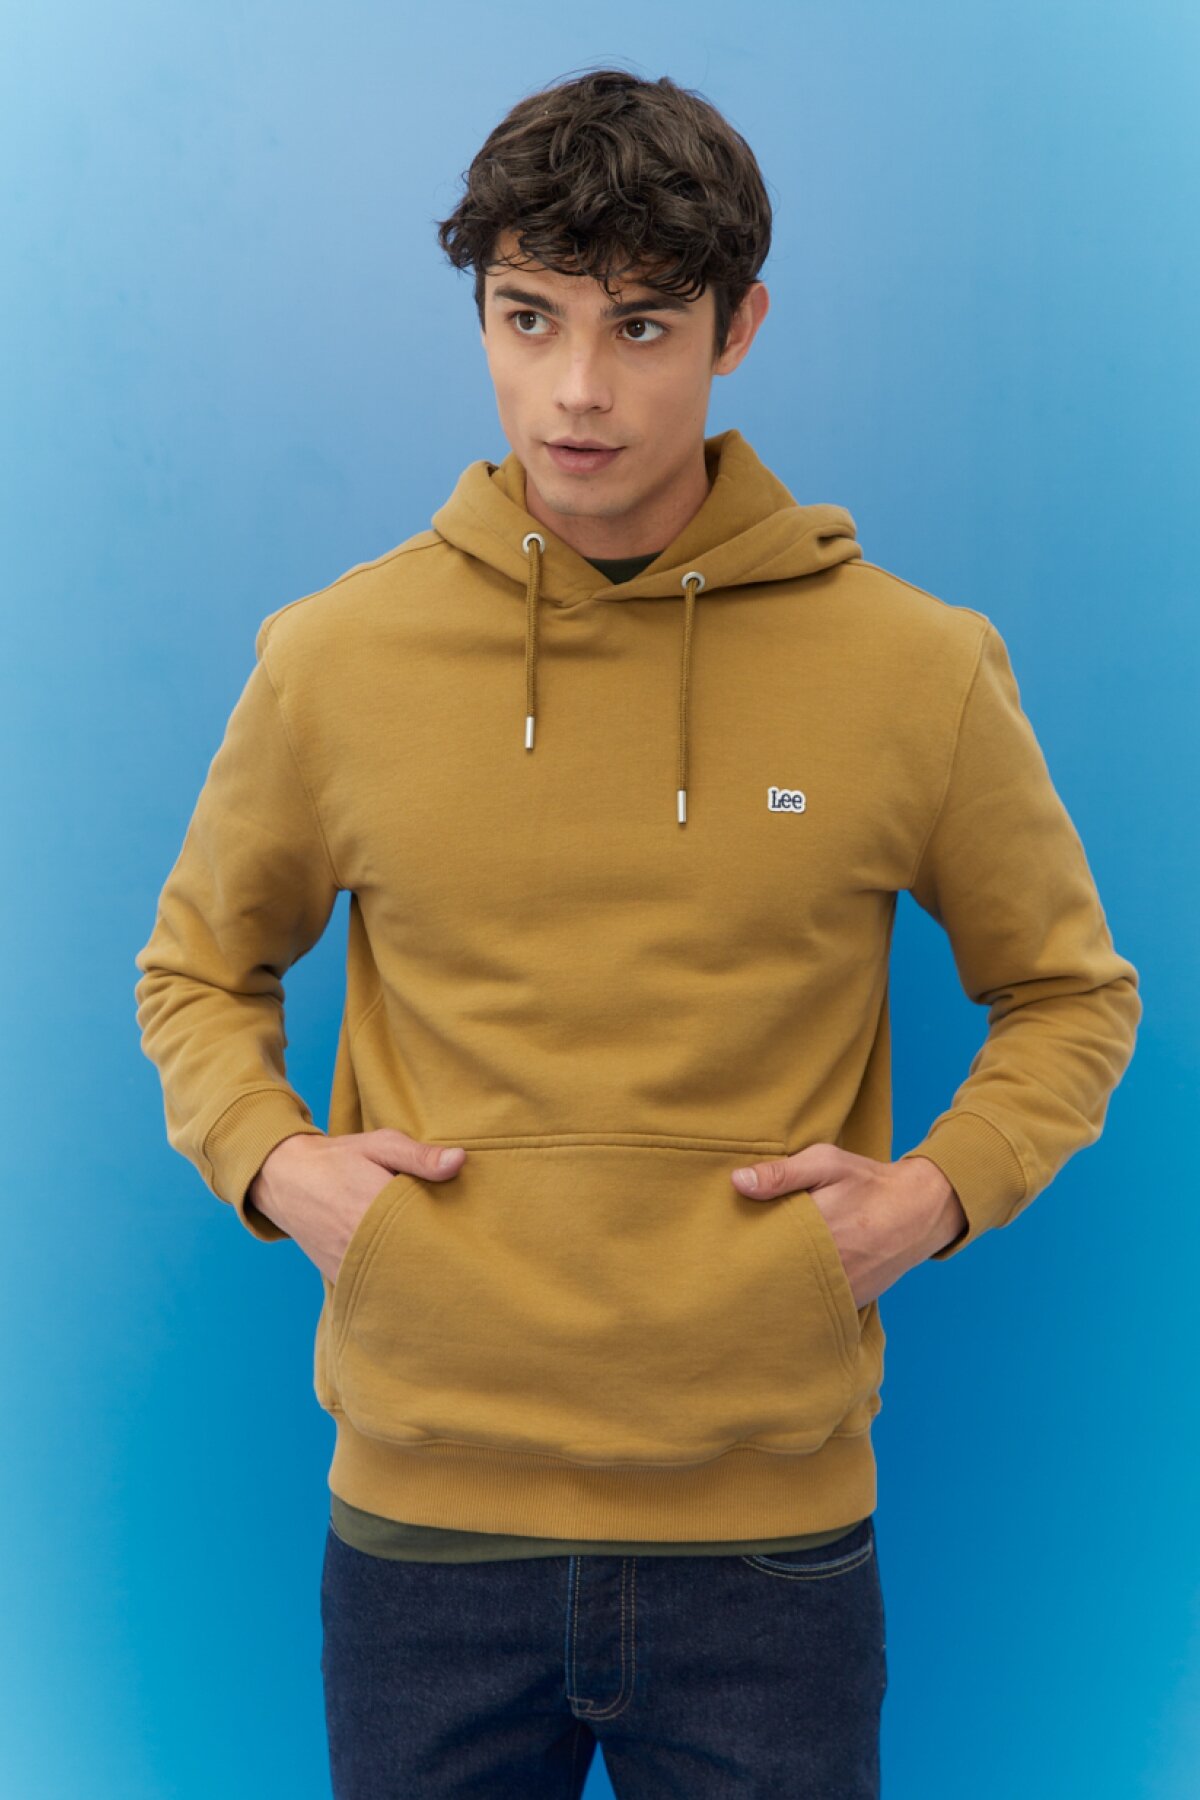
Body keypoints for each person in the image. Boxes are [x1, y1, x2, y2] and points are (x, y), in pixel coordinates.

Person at [133, 65, 1141, 1799]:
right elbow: (197, 974)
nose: (577, 390)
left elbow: (1068, 993)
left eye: (643, 326)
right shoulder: (333, 661)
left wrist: (933, 1195)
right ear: (482, 316)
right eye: (527, 318)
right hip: (425, 1539)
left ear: (740, 328)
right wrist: (281, 1168)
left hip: (769, 1551)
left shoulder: (916, 667)